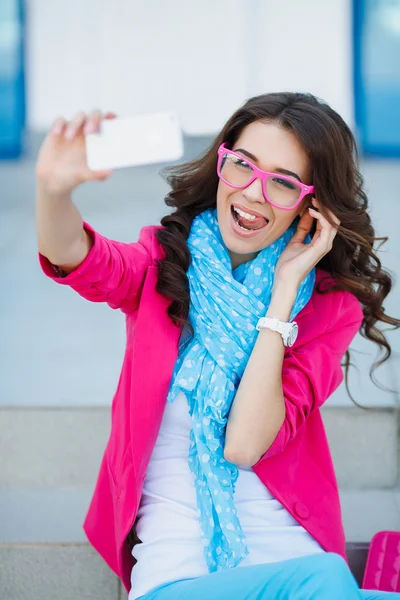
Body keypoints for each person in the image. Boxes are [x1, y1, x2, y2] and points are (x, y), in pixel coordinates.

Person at [35, 93, 400, 600]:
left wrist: (283, 295)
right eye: (243, 167)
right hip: (182, 574)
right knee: (329, 581)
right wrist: (53, 193)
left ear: (312, 204)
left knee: (326, 579)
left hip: (294, 563)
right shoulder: (162, 266)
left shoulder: (325, 307)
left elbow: (247, 443)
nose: (253, 194)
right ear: (222, 163)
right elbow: (78, 257)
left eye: (283, 183)